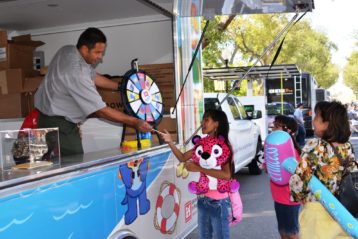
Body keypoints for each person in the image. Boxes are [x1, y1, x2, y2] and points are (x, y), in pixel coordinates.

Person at [35, 27, 151, 156]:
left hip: (47, 119)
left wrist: (122, 87)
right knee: (74, 164)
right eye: (97, 52)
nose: (100, 57)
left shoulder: (67, 51)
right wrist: (134, 122)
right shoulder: (77, 74)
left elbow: (93, 76)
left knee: (58, 164)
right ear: (85, 49)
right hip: (60, 125)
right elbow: (101, 111)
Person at [289, 101, 358, 239]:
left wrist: (297, 196)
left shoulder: (315, 145)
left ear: (327, 124)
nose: (313, 121)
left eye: (316, 117)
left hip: (317, 213)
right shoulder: (347, 146)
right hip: (343, 211)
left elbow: (299, 180)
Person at [160, 109, 233, 239]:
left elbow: (227, 175)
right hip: (202, 200)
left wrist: (199, 168)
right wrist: (170, 142)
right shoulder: (202, 144)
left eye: (206, 120)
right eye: (202, 119)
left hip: (219, 202)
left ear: (216, 124)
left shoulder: (224, 146)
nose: (202, 123)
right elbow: (183, 157)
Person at [264, 115, 302, 239]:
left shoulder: (293, 152)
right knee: (283, 231)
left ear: (288, 130)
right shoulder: (274, 147)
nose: (273, 128)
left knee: (291, 233)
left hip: (290, 199)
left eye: (277, 126)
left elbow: (298, 173)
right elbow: (270, 167)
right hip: (279, 197)